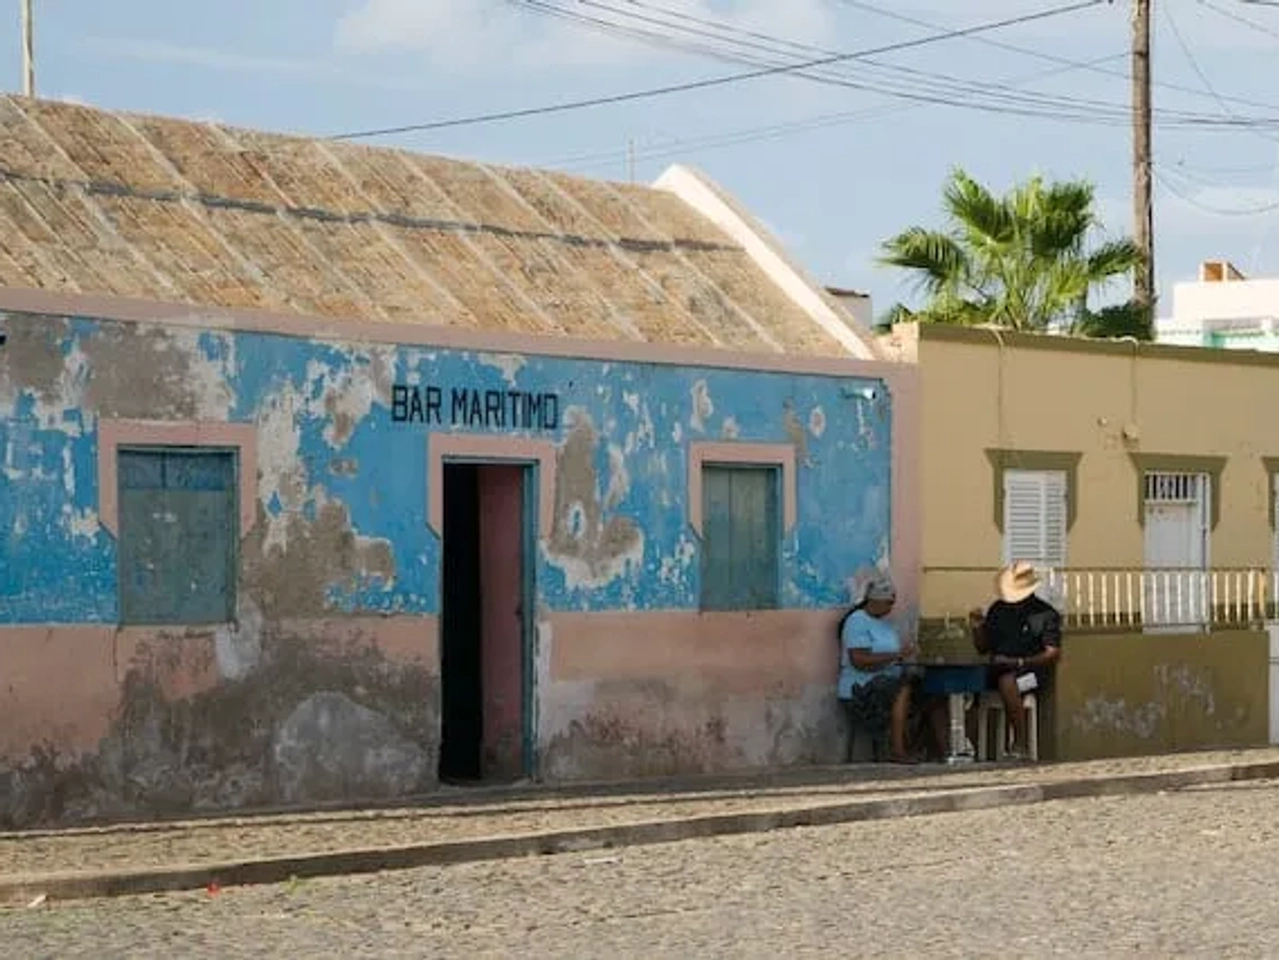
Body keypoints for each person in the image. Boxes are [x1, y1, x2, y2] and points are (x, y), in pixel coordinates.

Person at [838, 574, 945, 764]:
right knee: (902, 689)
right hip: (861, 689)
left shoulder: (884, 624)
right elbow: (859, 660)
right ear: (874, 601)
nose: (891, 608)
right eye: (888, 603)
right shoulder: (857, 621)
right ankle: (897, 750)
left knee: (933, 693)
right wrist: (896, 656)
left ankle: (930, 749)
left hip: (888, 680)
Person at [968, 561, 1063, 760]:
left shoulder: (1046, 614)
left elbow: (1052, 653)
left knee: (1008, 681)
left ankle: (1020, 742)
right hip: (998, 667)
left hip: (1031, 673)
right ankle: (971, 746)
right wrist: (977, 627)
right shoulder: (998, 609)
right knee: (967, 681)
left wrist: (1018, 662)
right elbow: (982, 647)